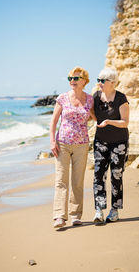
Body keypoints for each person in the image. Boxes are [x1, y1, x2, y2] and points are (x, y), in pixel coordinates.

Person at [50, 67, 94, 228]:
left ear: (84, 81)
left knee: (78, 181)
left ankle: (76, 215)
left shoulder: (90, 99)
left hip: (82, 145)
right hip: (62, 144)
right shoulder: (62, 98)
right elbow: (54, 122)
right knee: (61, 180)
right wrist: (52, 142)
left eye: (76, 78)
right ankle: (59, 216)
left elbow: (95, 116)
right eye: (70, 78)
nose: (72, 81)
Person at [92, 68, 129, 223]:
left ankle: (114, 211)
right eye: (98, 80)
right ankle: (99, 210)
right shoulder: (96, 96)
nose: (99, 83)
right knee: (98, 175)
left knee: (116, 175)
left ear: (112, 82)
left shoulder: (121, 98)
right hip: (100, 141)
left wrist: (108, 122)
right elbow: (92, 113)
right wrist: (95, 120)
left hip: (119, 143)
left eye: (102, 80)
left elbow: (125, 122)